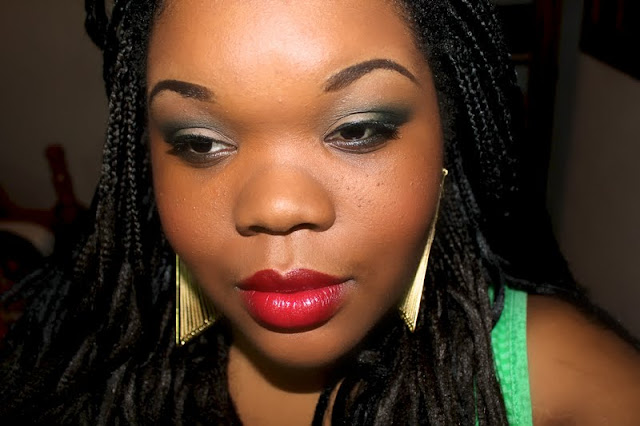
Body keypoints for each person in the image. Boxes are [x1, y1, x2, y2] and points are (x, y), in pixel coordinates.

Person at [1, 0, 639, 424]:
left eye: (358, 130)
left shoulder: (559, 377)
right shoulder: (75, 360)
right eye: (199, 142)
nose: (277, 208)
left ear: (448, 140)